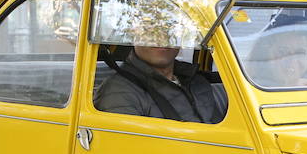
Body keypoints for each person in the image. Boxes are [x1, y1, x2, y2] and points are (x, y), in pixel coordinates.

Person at [94, 44, 228, 123]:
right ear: (134, 33)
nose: (160, 37)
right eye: (149, 28)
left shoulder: (196, 82)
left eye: (169, 28)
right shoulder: (117, 94)